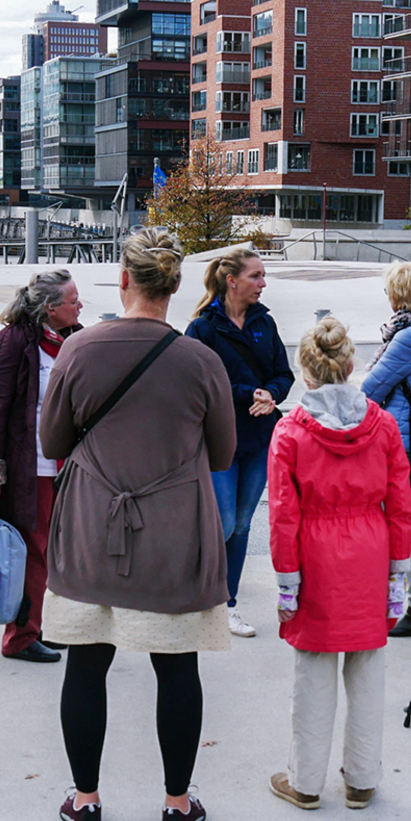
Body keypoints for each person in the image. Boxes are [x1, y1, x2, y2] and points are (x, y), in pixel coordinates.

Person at [40, 228, 237, 821]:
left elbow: (53, 443)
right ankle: (177, 806)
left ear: (123, 279)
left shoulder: (78, 350)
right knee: (176, 668)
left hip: (92, 527)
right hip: (173, 532)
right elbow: (224, 453)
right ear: (174, 286)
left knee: (86, 664)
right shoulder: (201, 360)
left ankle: (86, 800)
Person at [267, 317, 411, 812]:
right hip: (370, 551)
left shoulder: (289, 432)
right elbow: (400, 505)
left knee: (313, 672)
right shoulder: (384, 425)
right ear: (352, 365)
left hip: (315, 553)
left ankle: (305, 780)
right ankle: (362, 778)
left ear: (303, 373)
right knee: (369, 667)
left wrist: (287, 583)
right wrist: (398, 572)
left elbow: (283, 514)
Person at [185, 248, 294, 638]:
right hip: (219, 438)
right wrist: (252, 393)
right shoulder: (203, 328)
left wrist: (272, 395)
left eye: (263, 277)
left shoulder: (265, 322)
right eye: (256, 276)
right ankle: (203, 593)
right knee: (223, 521)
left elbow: (284, 373)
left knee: (243, 523)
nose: (263, 284)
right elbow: (198, 382)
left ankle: (226, 603)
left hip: (260, 438)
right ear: (231, 280)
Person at [0, 269, 83, 664]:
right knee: (32, 555)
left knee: (57, 554)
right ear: (50, 308)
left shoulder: (72, 338)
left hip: (67, 468)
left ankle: (40, 626)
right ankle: (19, 637)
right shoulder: (12, 343)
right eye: (73, 301)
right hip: (31, 467)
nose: (79, 306)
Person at [361, 260, 411, 638]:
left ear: (398, 296)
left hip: (401, 444)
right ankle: (402, 602)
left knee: (404, 526)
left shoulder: (410, 338)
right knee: (402, 522)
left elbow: (369, 389)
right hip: (410, 442)